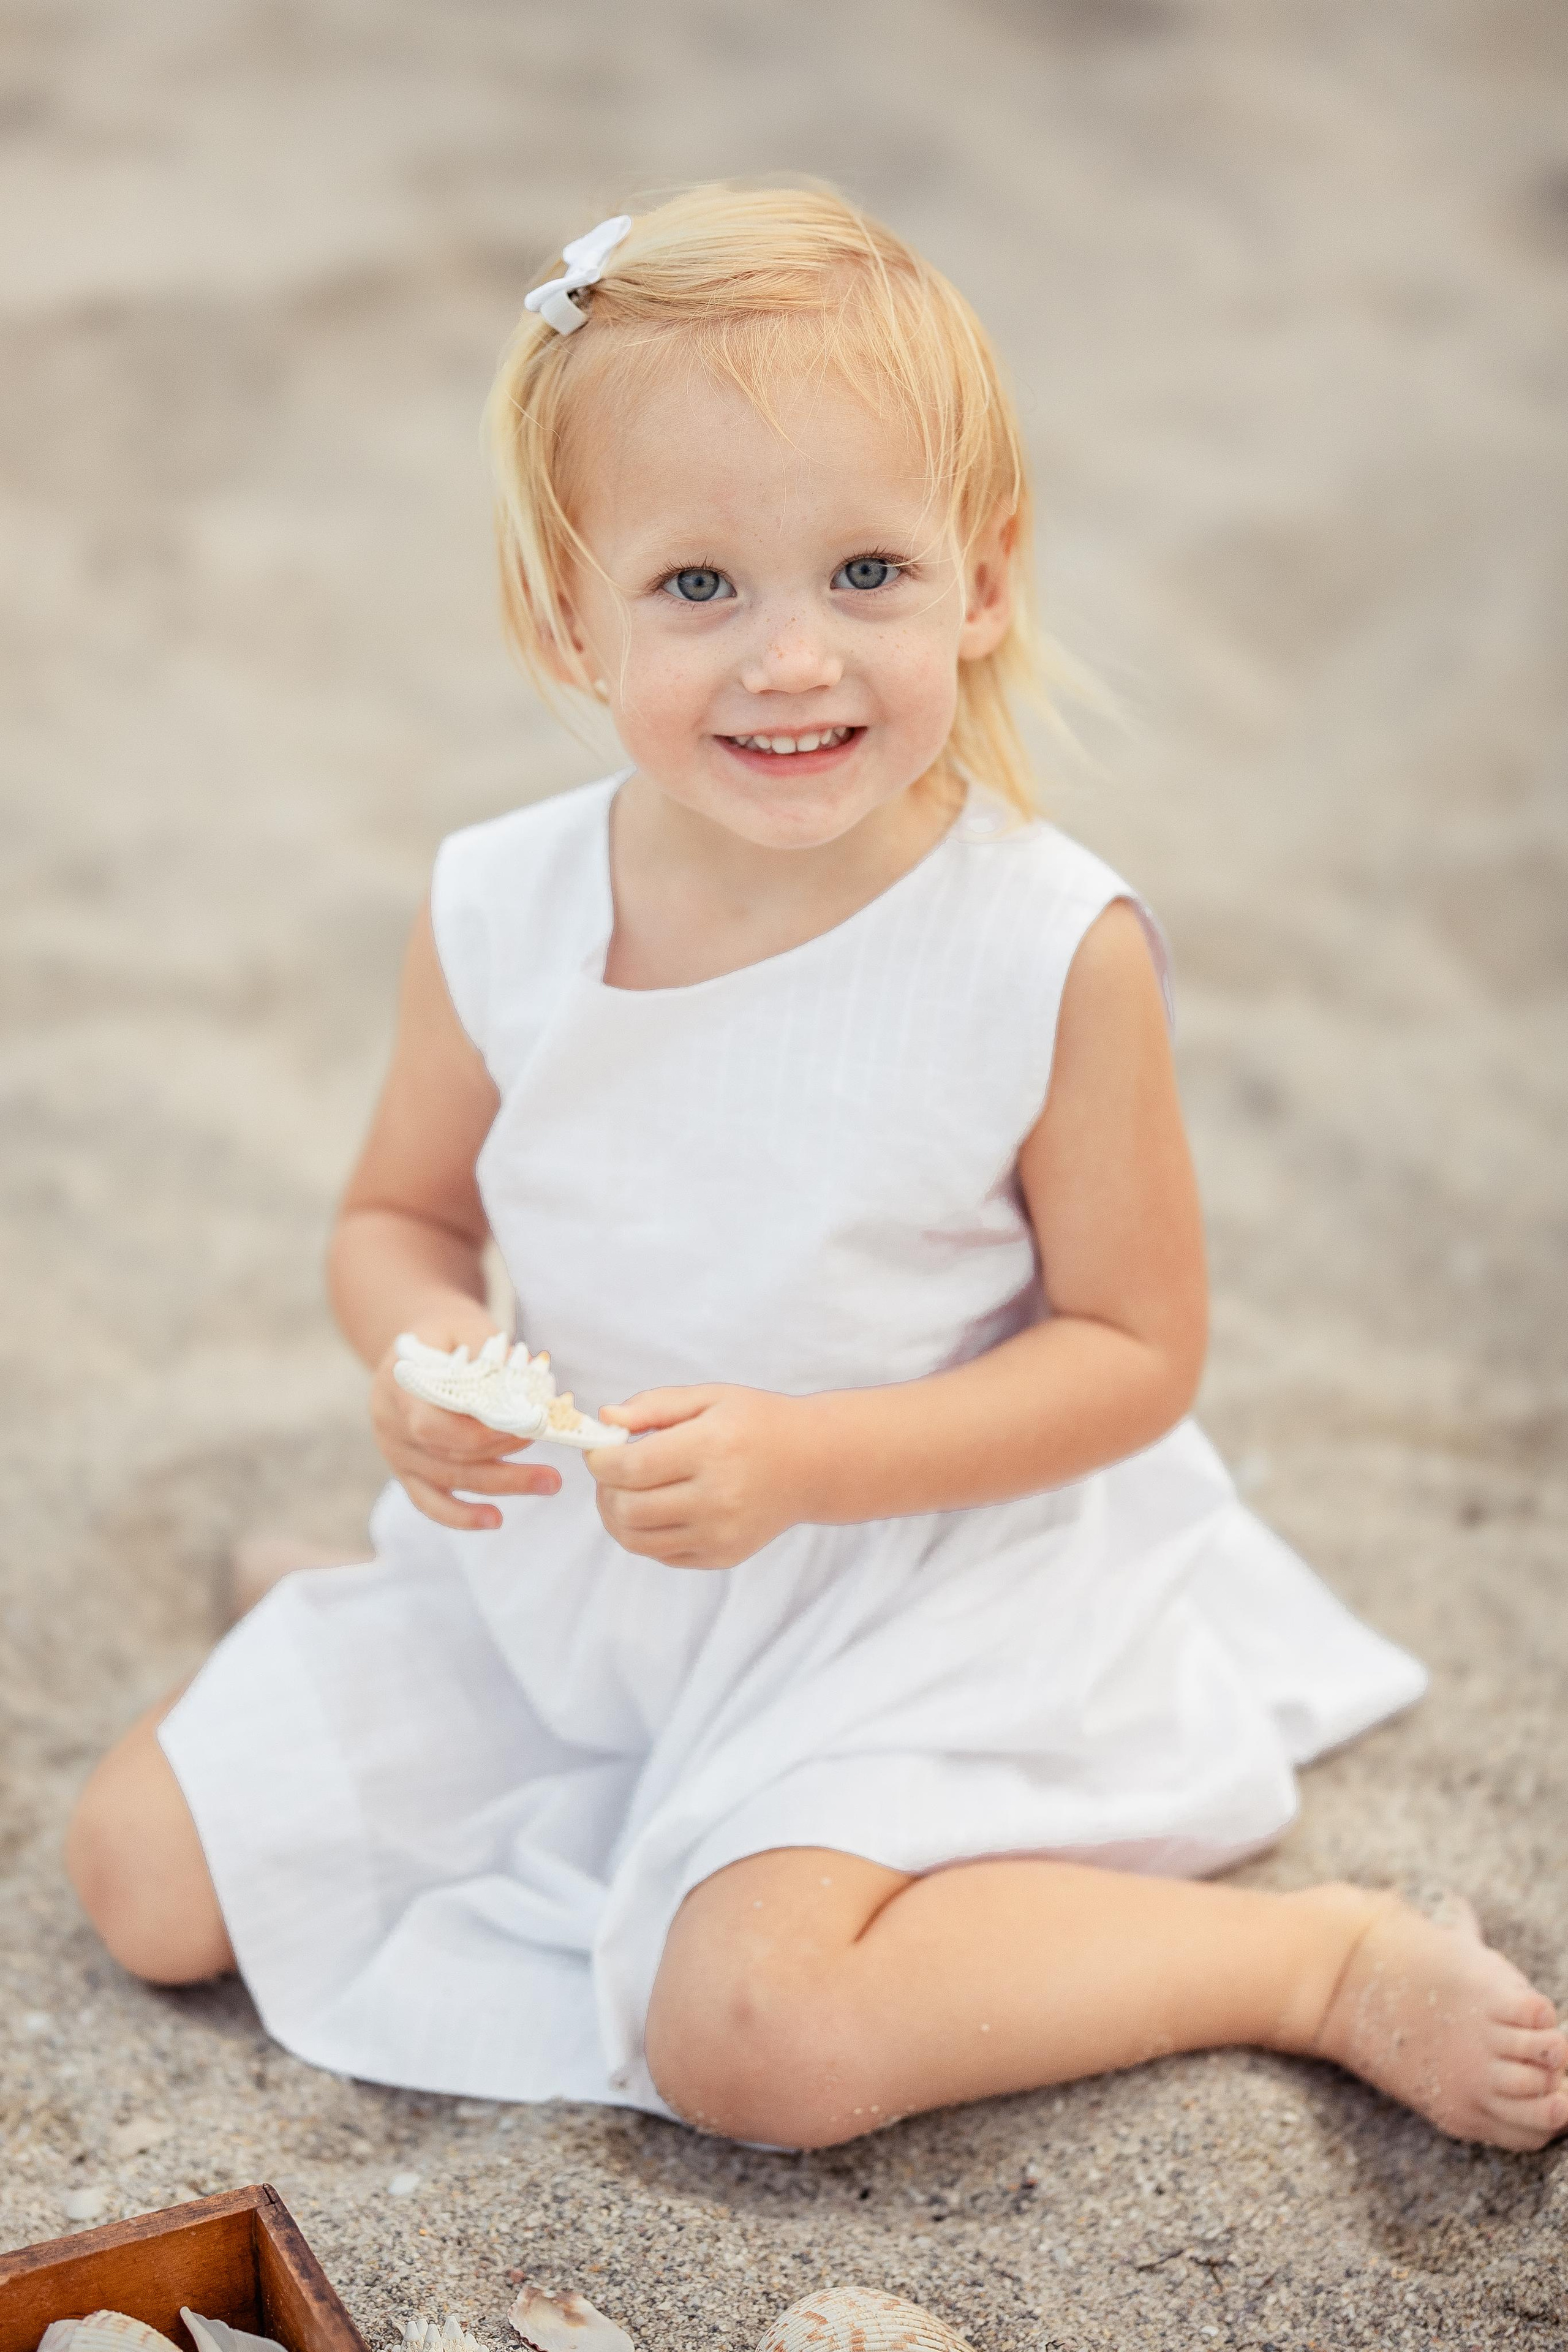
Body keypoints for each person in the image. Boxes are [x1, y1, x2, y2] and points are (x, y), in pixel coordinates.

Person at [66, 184, 1566, 2155]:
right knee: (139, 1878)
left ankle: (1306, 1960)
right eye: (698, 585)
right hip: (600, 1556)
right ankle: (390, 1606)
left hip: (911, 1578)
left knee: (760, 2036)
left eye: (868, 571)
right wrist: (421, 1358)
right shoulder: (504, 908)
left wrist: (808, 1464)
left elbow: (1136, 1355)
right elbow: (397, 1221)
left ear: (984, 582)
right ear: (567, 619)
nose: (793, 658)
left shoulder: (1044, 948)